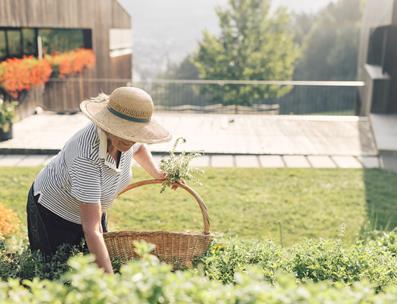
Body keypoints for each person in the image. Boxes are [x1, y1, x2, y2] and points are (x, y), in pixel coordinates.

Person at [26, 86, 172, 273]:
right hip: (53, 211)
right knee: (56, 273)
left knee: (98, 265)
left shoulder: (128, 140)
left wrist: (158, 173)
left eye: (136, 133)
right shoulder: (85, 155)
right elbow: (92, 229)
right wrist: (109, 286)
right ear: (108, 124)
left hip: (92, 210)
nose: (131, 139)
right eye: (126, 131)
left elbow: (139, 149)